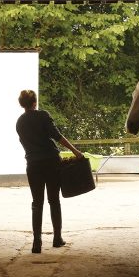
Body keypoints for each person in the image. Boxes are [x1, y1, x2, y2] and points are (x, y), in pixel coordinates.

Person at [16, 89, 83, 254]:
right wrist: (76, 151)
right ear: (35, 103)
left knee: (36, 203)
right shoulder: (42, 116)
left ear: (22, 104)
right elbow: (57, 136)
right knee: (54, 200)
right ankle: (57, 238)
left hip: (33, 165)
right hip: (51, 163)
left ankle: (36, 242)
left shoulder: (19, 122)